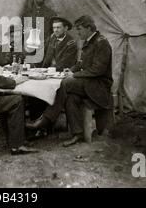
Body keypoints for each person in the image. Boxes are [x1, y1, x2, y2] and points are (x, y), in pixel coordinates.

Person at [26, 16, 113, 147]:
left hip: (99, 86)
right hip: (88, 83)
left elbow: (98, 70)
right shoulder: (88, 41)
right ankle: (77, 134)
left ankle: (45, 120)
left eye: (80, 30)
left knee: (65, 83)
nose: (78, 33)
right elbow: (80, 63)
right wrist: (70, 70)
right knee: (70, 98)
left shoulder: (101, 42)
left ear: (89, 28)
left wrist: (75, 75)